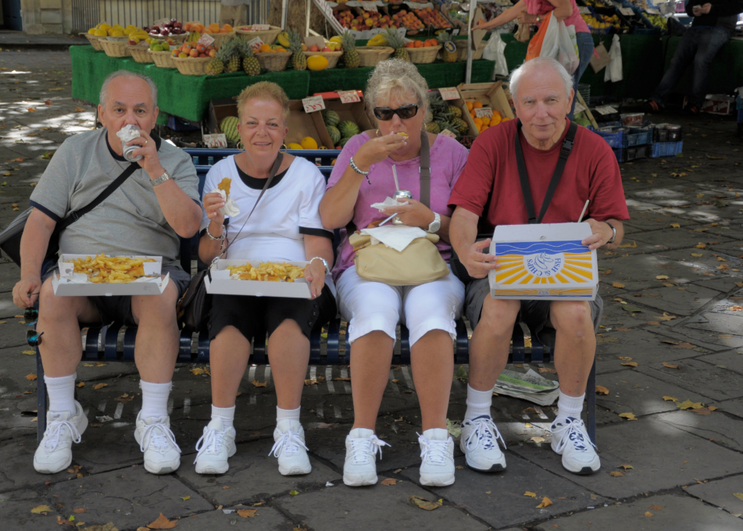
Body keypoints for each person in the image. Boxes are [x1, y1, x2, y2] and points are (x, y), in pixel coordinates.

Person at [11, 71, 202, 475]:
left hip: (148, 276)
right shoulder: (75, 151)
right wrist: (30, 273)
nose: (128, 119)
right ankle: (62, 416)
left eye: (139, 110)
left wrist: (153, 168)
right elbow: (41, 221)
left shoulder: (175, 160)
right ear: (101, 114)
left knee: (160, 295)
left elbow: (188, 228)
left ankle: (152, 421)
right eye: (118, 110)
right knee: (52, 293)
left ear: (154, 117)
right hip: (83, 275)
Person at [448, 57, 629, 476]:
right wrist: (464, 251)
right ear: (514, 105)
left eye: (551, 100)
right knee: (498, 307)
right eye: (529, 102)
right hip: (502, 268)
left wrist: (607, 233)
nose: (541, 113)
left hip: (564, 274)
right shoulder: (492, 143)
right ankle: (477, 418)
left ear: (570, 100)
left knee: (576, 311)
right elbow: (464, 213)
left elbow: (617, 226)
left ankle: (568, 420)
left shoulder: (595, 149)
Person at [320, 60, 468, 487]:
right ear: (372, 116)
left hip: (431, 262)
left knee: (433, 314)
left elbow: (468, 225)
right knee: (375, 314)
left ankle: (436, 437)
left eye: (407, 110)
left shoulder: (452, 153)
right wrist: (361, 164)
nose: (396, 122)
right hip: (367, 264)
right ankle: (361, 437)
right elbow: (330, 216)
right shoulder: (358, 150)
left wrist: (430, 220)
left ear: (425, 110)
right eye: (384, 114)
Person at [194, 81, 336, 476]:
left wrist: (318, 267)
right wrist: (216, 226)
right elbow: (207, 255)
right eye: (253, 123)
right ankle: (220, 426)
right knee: (227, 322)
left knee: (291, 320)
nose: (262, 132)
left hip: (292, 273)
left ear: (285, 131)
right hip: (236, 275)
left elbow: (318, 244)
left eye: (272, 124)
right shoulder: (221, 174)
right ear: (239, 126)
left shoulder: (306, 175)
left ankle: (288, 429)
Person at [473, 0, 594, 120]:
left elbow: (566, 10)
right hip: (558, 43)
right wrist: (485, 25)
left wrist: (534, 19)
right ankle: (554, 132)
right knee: (554, 89)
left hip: (573, 40)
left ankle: (563, 134)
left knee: (563, 90)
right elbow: (509, 12)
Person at [648, 0, 743, 113]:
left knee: (700, 60)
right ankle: (657, 99)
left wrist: (713, 9)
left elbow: (739, 5)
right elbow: (689, 5)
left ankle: (695, 102)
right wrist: (693, 10)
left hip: (719, 28)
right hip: (695, 28)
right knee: (676, 61)